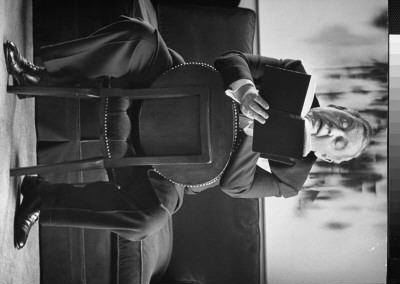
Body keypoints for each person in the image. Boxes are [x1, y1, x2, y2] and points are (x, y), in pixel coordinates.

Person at [3, 16, 373, 250]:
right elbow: (230, 58)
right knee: (141, 36)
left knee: (147, 220)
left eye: (339, 142)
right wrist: (244, 88)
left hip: (175, 167)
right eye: (343, 120)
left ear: (327, 157)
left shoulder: (292, 179)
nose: (333, 129)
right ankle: (39, 74)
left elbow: (236, 186)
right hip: (170, 84)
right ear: (337, 107)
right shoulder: (297, 75)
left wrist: (250, 136)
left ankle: (41, 199)